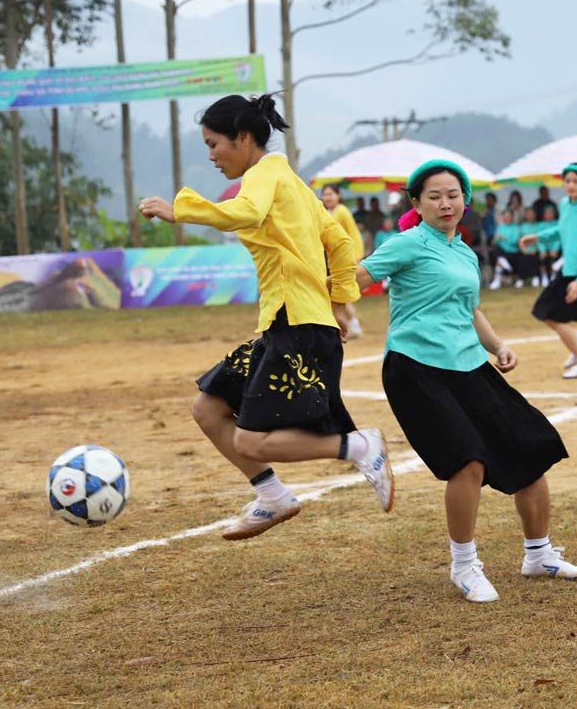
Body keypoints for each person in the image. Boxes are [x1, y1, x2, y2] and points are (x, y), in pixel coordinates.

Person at [137, 93, 394, 540]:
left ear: (242, 137)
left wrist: (181, 209)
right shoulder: (288, 178)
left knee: (250, 439)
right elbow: (338, 241)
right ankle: (273, 496)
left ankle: (358, 445)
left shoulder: (266, 175)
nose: (212, 156)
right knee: (208, 409)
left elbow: (248, 211)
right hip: (289, 321)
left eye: (213, 144)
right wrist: (336, 303)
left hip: (295, 326)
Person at [357, 159, 577, 603]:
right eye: (434, 196)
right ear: (416, 203)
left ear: (465, 200)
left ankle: (538, 554)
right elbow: (356, 278)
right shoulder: (406, 244)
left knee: (531, 445)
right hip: (414, 366)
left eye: (453, 194)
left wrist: (497, 346)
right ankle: (464, 566)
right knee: (468, 460)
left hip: (467, 362)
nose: (446, 203)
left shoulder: (463, 251)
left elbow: (470, 309)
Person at [520, 163, 577, 379]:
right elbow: (561, 229)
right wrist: (537, 237)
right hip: (569, 270)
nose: (570, 185)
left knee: (555, 316)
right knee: (543, 311)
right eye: (567, 181)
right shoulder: (565, 204)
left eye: (576, 181)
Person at [320, 183, 366, 339]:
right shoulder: (330, 212)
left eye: (330, 194)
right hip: (339, 258)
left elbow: (324, 230)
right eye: (325, 194)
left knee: (341, 292)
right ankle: (351, 325)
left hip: (349, 256)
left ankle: (352, 325)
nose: (327, 197)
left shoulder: (340, 211)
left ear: (338, 196)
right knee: (337, 291)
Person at [536, 204, 560, 286]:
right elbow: (539, 238)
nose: (549, 215)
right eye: (547, 213)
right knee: (542, 257)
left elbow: (558, 238)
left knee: (555, 256)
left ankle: (554, 276)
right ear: (544, 215)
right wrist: (542, 250)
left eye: (551, 213)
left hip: (555, 248)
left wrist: (555, 249)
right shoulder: (540, 225)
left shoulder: (558, 223)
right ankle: (544, 276)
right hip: (544, 247)